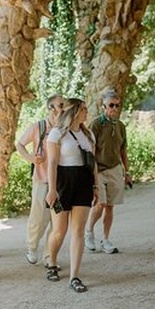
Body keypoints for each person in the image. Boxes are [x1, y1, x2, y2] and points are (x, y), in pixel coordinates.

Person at [45, 98, 97, 293]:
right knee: (59, 230)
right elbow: (51, 163)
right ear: (74, 111)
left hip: (83, 180)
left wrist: (97, 185)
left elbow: (94, 162)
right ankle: (52, 262)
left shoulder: (88, 134)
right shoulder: (57, 133)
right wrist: (52, 189)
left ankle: (75, 276)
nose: (86, 113)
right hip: (62, 181)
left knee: (78, 231)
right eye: (83, 109)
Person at [15, 94, 63, 266]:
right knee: (38, 217)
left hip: (60, 181)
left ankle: (49, 256)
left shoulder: (65, 128)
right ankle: (32, 246)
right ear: (51, 108)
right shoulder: (39, 127)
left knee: (57, 220)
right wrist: (30, 158)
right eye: (60, 105)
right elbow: (19, 144)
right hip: (42, 179)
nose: (64, 108)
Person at [85, 89, 131, 254]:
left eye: (117, 105)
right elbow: (90, 149)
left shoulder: (120, 126)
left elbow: (123, 150)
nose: (114, 108)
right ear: (103, 106)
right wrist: (91, 172)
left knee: (110, 206)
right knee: (100, 204)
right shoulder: (97, 124)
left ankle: (105, 239)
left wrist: (127, 172)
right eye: (111, 105)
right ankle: (89, 231)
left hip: (115, 169)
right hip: (99, 170)